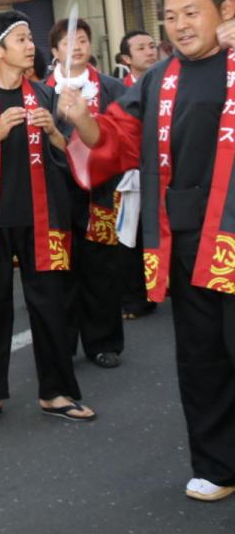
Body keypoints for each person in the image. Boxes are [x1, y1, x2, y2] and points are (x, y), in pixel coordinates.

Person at [59, 0, 235, 502]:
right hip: (188, 240)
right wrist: (79, 116)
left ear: (225, 10)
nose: (180, 25)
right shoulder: (159, 77)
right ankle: (217, 464)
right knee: (202, 355)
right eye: (170, 16)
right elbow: (116, 135)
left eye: (192, 12)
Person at [0, 10, 96, 428]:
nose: (33, 47)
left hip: (42, 219)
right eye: (23, 40)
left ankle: (56, 392)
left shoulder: (46, 97)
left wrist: (53, 133)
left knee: (50, 306)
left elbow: (78, 154)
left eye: (31, 39)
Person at [47, 18, 127, 369]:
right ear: (54, 52)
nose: (76, 47)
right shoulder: (40, 90)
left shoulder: (112, 87)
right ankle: (61, 344)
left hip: (102, 191)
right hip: (58, 192)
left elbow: (125, 134)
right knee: (60, 270)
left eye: (81, 40)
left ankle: (103, 342)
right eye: (67, 42)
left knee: (101, 269)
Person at [115, 29, 161, 320]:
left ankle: (161, 286)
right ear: (126, 58)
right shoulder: (119, 89)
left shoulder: (168, 83)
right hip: (128, 175)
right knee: (129, 237)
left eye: (152, 46)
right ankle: (134, 297)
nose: (150, 51)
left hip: (163, 172)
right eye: (141, 48)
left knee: (161, 233)